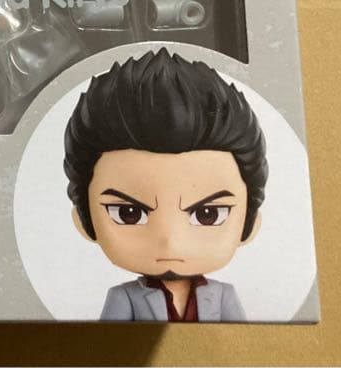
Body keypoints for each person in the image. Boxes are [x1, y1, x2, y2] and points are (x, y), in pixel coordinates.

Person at [63, 49, 267, 321]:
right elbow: (111, 343)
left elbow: (239, 341)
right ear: (84, 220)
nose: (170, 241)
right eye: (128, 213)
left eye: (208, 214)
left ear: (250, 223)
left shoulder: (223, 296)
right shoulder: (123, 297)